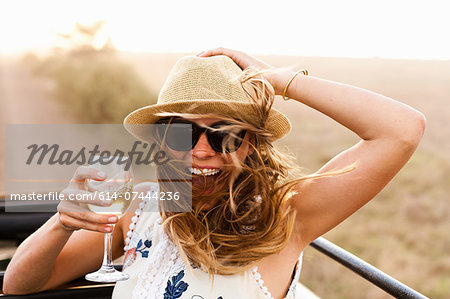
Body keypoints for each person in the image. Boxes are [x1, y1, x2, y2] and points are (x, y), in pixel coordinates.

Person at [2, 48, 426, 298]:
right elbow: (18, 284)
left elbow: (401, 130)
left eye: (224, 135)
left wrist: (278, 80)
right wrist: (60, 223)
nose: (201, 152)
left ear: (250, 146)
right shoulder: (143, 209)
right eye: (181, 133)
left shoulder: (286, 217)